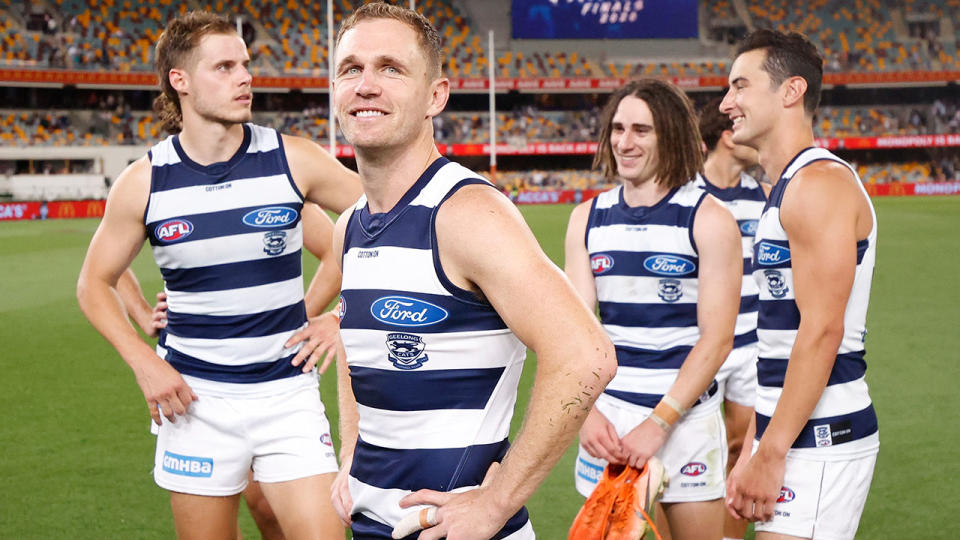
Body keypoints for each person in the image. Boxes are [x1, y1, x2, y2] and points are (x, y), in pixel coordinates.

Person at [327, 4, 617, 539]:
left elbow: (586, 355)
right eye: (351, 69)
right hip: (371, 524)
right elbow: (354, 341)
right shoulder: (349, 226)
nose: (366, 85)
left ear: (435, 95)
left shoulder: (464, 213)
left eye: (390, 68)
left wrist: (496, 501)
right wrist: (351, 449)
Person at [76, 11, 362, 540]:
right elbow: (93, 283)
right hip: (194, 400)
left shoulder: (293, 159)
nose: (245, 77)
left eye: (246, 65)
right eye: (225, 66)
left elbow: (389, 217)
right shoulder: (145, 182)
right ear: (179, 81)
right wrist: (145, 362)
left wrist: (338, 315)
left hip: (287, 395)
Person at [564, 78, 743, 540]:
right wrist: (584, 413)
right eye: (618, 128)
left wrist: (659, 424)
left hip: (684, 420)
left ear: (671, 135)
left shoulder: (709, 219)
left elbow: (718, 339)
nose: (625, 142)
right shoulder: (586, 219)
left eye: (641, 130)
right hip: (609, 424)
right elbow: (575, 334)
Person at [720, 29, 879, 540]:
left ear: (790, 92)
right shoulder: (787, 186)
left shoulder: (817, 184)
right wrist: (753, 447)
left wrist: (770, 452)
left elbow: (822, 332)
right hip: (789, 432)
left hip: (823, 435)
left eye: (740, 86)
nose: (726, 103)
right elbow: (779, 341)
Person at [117, 203, 341, 540]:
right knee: (241, 511)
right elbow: (104, 269)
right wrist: (142, 313)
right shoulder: (157, 180)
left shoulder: (280, 175)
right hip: (196, 390)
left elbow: (343, 249)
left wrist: (293, 320)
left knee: (270, 510)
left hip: (280, 384)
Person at [695, 97, 769, 540]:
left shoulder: (762, 197)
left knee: (744, 450)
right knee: (695, 454)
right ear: (727, 136)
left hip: (750, 346)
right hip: (701, 346)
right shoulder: (688, 195)